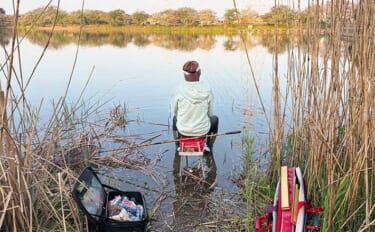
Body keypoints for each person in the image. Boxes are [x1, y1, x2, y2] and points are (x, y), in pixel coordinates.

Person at [171, 60, 219, 150]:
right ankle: (209, 145)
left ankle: (178, 145)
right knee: (215, 119)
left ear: (184, 75)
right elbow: (210, 114)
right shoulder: (208, 90)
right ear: (200, 72)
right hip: (202, 131)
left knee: (174, 119)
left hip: (183, 130)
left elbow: (175, 111)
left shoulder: (178, 90)